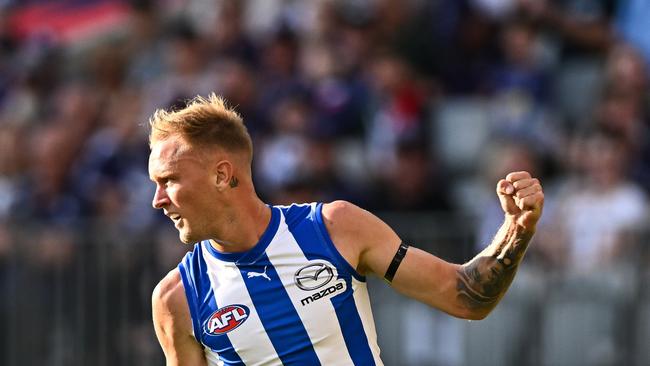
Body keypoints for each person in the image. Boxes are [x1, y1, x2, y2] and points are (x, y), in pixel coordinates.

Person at [148, 94, 544, 366]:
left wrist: (516, 228)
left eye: (168, 180)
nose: (158, 200)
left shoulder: (334, 228)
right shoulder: (177, 299)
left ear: (221, 175)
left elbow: (466, 298)